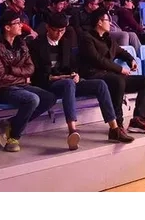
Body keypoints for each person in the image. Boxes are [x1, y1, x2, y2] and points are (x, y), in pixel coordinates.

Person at [29, 13, 134, 150]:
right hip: (48, 83)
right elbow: (35, 73)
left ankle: (114, 129)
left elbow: (73, 65)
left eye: (62, 30)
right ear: (48, 28)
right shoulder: (36, 45)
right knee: (68, 84)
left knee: (100, 84)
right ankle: (72, 131)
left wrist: (75, 74)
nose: (59, 34)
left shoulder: (66, 42)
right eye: (56, 30)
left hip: (68, 81)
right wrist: (56, 78)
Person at [0, 10, 57, 152]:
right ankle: (14, 137)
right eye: (17, 23)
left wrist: (12, 70)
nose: (21, 26)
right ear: (7, 27)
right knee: (32, 99)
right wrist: (22, 77)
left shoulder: (22, 44)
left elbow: (30, 68)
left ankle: (11, 123)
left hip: (20, 84)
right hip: (1, 88)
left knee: (50, 98)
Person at [78, 8, 145, 134]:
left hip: (110, 75)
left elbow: (121, 52)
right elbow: (98, 60)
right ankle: (117, 124)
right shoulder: (86, 38)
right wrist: (120, 69)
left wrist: (131, 60)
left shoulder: (108, 38)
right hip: (94, 75)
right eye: (107, 20)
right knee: (118, 80)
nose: (110, 23)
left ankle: (138, 120)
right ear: (99, 22)